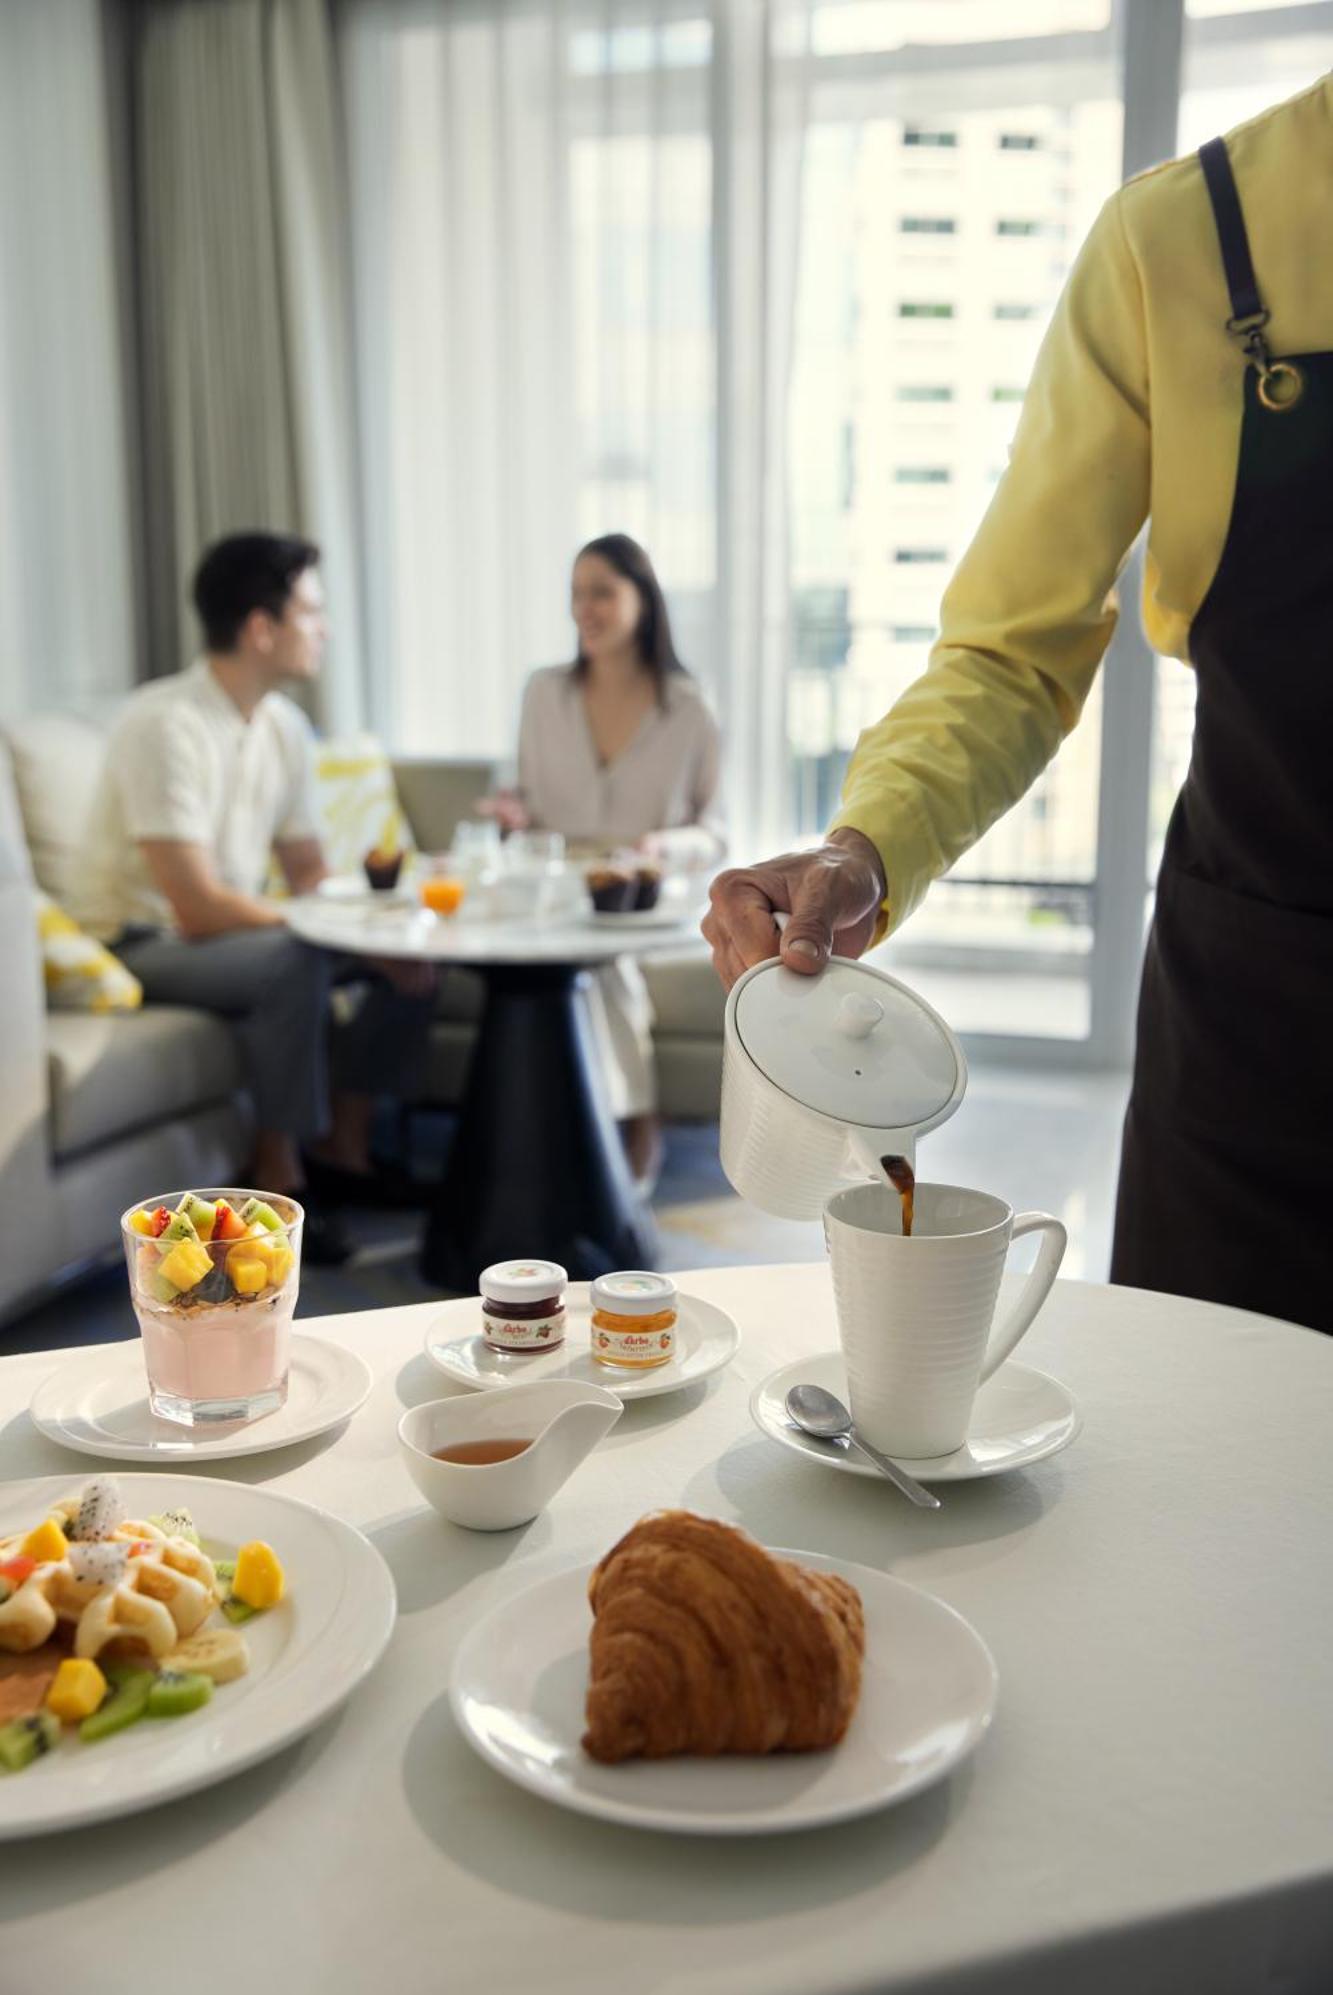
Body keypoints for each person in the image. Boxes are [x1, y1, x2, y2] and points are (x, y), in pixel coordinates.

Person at [705, 78, 1333, 1334]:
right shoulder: (1185, 237)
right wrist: (860, 845)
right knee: (1220, 1468)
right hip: (1268, 1026)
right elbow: (1009, 651)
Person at [75, 532, 437, 1263]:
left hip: (222, 935)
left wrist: (377, 930)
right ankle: (279, 1184)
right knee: (293, 961)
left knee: (413, 959)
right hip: (139, 939)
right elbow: (195, 906)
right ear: (260, 627)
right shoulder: (165, 724)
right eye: (311, 612)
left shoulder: (282, 726)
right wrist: (326, 931)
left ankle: (347, 1149)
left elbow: (306, 870)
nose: (323, 629)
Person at [484, 534, 723, 1181]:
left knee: (601, 960)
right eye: (574, 594)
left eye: (600, 593)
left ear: (642, 600)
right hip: (556, 886)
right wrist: (510, 817)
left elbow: (714, 831)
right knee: (557, 952)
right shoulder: (543, 693)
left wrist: (660, 848)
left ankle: (636, 1127)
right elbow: (524, 806)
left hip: (641, 893)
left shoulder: (689, 707)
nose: (582, 609)